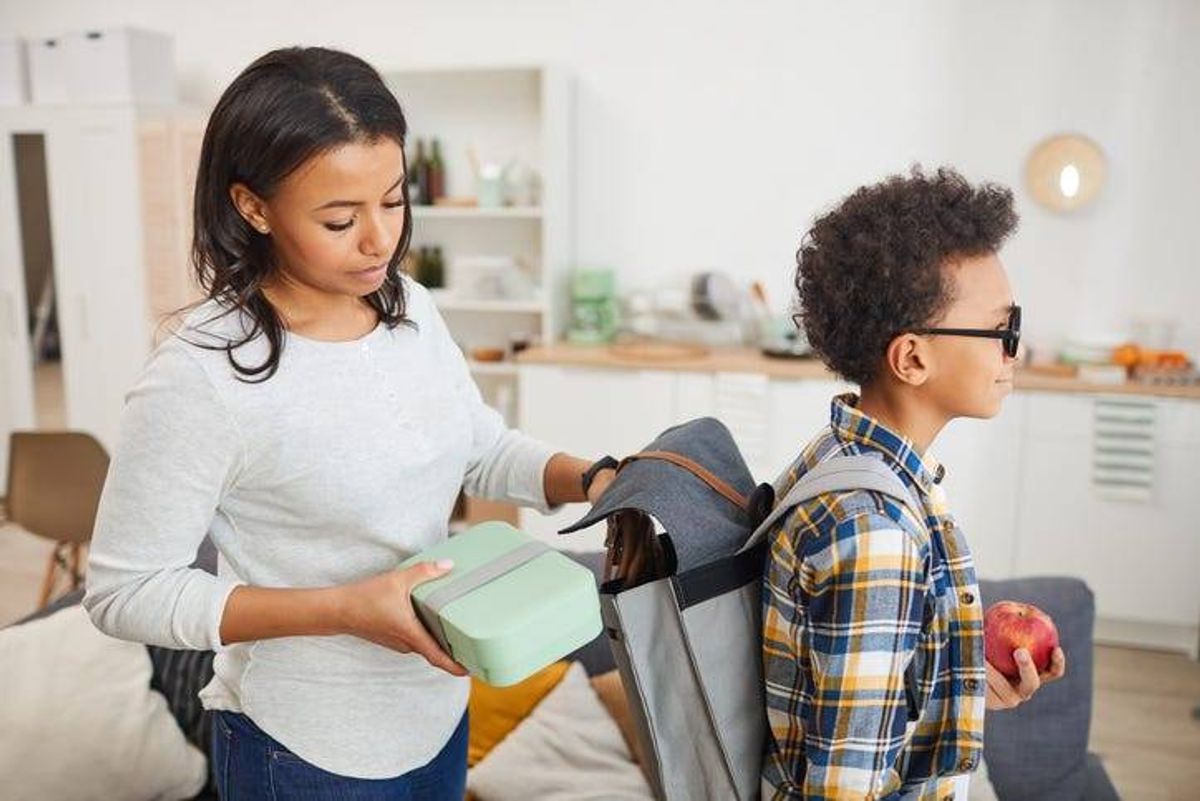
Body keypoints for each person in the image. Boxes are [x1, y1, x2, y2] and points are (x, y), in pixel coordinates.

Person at [83, 46, 615, 800]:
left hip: (437, 714)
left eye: (393, 202)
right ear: (252, 206)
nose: (379, 241)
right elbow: (123, 591)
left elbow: (479, 447)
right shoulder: (199, 375)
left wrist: (591, 477)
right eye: (339, 218)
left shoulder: (408, 308)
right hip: (302, 749)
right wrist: (339, 609)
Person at [761, 167, 1067, 800]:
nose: (1015, 351)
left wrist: (958, 677)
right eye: (1002, 330)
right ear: (912, 358)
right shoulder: (876, 530)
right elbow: (845, 791)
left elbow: (847, 680)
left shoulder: (839, 454)